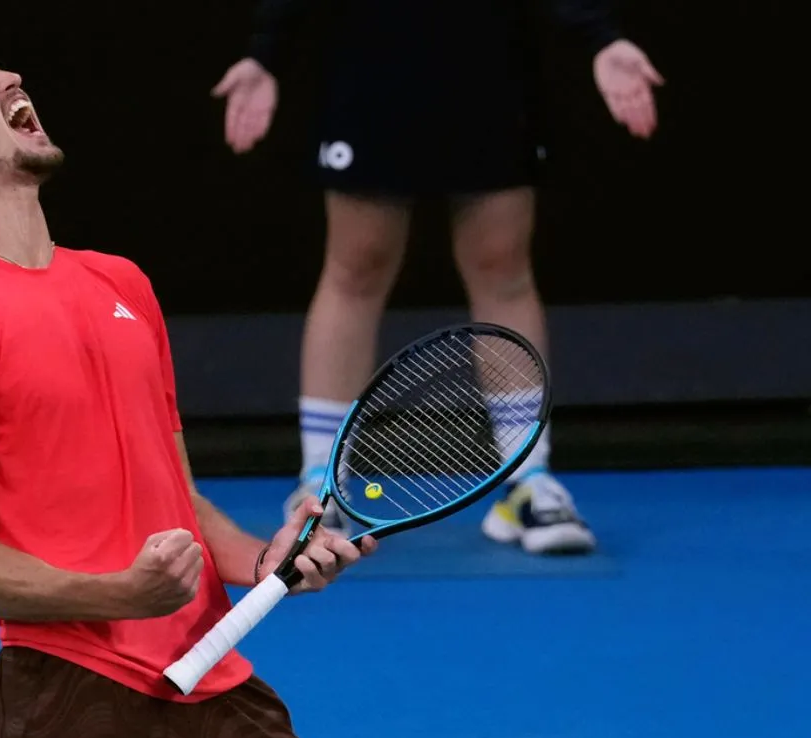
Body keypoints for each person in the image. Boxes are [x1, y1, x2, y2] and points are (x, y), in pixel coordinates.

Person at [0, 52, 377, 738]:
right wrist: (120, 595)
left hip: (215, 674)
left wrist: (262, 559)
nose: (11, 79)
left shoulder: (121, 283)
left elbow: (176, 500)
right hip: (71, 693)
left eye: (6, 71)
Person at [213, 0, 664, 555]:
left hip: (487, 62)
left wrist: (600, 36)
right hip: (373, 63)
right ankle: (321, 486)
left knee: (501, 263)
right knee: (358, 264)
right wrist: (267, 52)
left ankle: (528, 482)